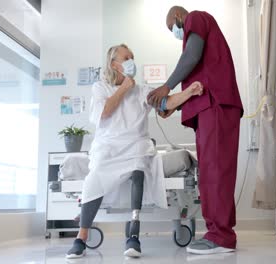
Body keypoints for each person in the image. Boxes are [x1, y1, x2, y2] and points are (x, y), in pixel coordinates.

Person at [66, 43, 203, 259]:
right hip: (108, 148)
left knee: (139, 167)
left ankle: (134, 235)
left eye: (132, 57)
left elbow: (165, 103)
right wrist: (124, 87)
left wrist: (189, 92)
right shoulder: (100, 87)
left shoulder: (142, 91)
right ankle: (80, 238)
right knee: (95, 176)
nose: (131, 61)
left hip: (136, 145)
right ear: (114, 64)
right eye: (126, 57)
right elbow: (104, 113)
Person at [147, 6, 244, 255]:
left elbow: (191, 56)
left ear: (179, 18)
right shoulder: (200, 39)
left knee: (216, 171)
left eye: (173, 28)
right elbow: (198, 84)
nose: (176, 33)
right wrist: (174, 106)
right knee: (211, 171)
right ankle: (217, 232)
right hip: (209, 107)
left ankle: (221, 237)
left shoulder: (196, 18)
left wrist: (166, 87)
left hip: (217, 106)